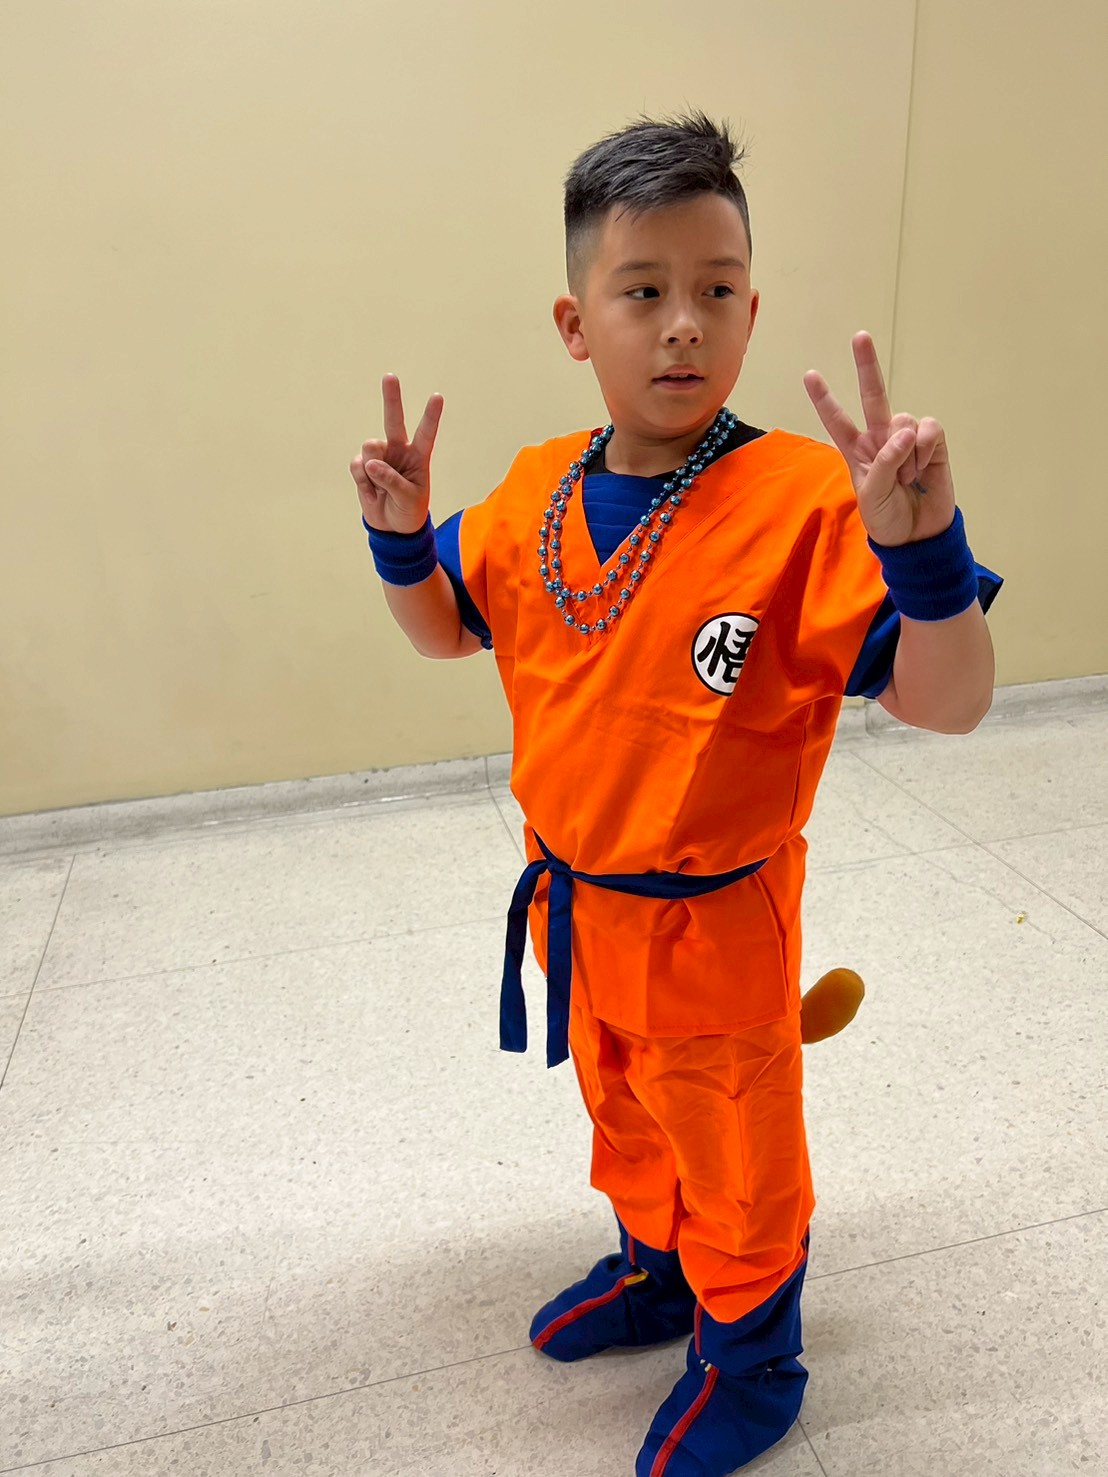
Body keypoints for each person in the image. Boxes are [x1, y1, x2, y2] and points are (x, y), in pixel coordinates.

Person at [349, 111, 1000, 1477]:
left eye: (716, 289)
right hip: (578, 915)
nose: (684, 324)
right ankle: (656, 1266)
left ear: (752, 310)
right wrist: (401, 542)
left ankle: (753, 1358)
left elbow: (948, 700)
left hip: (714, 928)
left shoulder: (802, 505)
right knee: (625, 1112)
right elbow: (445, 630)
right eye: (643, 291)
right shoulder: (534, 493)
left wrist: (924, 552)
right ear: (576, 323)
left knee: (734, 1148)